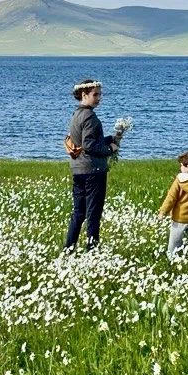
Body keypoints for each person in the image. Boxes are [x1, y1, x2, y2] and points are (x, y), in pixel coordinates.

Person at [64, 79, 120, 252]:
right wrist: (110, 149)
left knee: (78, 212)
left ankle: (69, 248)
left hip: (78, 169)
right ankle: (92, 250)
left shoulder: (76, 115)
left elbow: (84, 141)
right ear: (84, 95)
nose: (99, 98)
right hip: (93, 170)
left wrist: (109, 139)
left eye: (100, 94)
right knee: (93, 213)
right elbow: (89, 146)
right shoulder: (89, 116)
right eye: (95, 94)